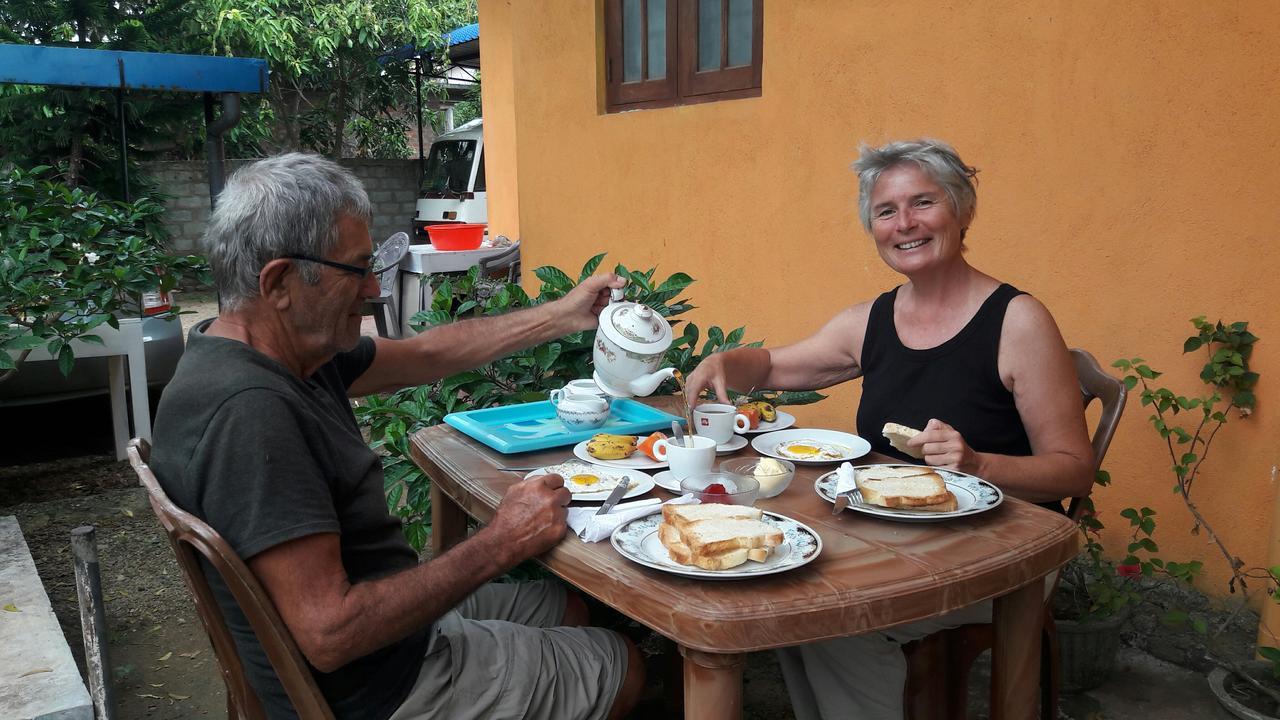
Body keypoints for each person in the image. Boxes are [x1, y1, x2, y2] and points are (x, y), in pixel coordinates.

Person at [150, 153, 644, 720]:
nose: (373, 291)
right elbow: (331, 633)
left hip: (384, 627)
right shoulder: (252, 414)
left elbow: (428, 353)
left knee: (567, 606)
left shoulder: (269, 350)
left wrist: (563, 315)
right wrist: (503, 540)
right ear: (281, 282)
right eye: (357, 269)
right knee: (620, 661)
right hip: (377, 688)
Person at [684, 138, 1094, 719]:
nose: (905, 223)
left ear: (962, 210)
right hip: (892, 535)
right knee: (784, 594)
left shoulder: (1017, 321)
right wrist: (727, 361)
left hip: (1002, 551)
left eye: (923, 203)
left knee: (835, 623)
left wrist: (978, 465)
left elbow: (1075, 468)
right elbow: (775, 365)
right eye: (886, 211)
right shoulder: (872, 320)